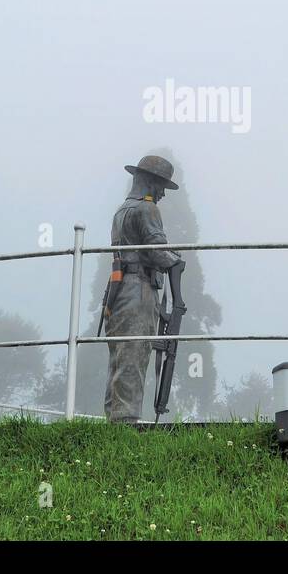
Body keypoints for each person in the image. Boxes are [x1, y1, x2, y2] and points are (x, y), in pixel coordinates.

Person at [102, 155, 183, 424]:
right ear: (149, 182)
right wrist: (176, 259)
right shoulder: (147, 210)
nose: (162, 194)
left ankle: (115, 418)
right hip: (139, 288)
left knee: (120, 356)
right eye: (160, 186)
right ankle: (126, 420)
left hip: (119, 288)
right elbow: (157, 251)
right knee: (134, 354)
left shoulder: (121, 210)